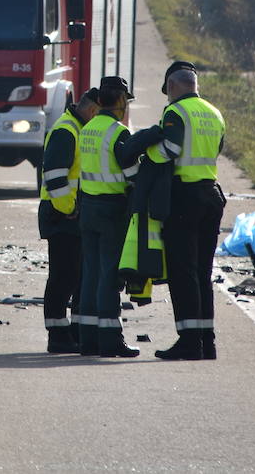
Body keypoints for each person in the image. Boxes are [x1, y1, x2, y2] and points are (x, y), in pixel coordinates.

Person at [75, 75, 163, 358]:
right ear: (123, 102)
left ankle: (87, 339)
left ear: (99, 101)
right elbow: (131, 175)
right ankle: (110, 339)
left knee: (89, 274)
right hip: (111, 210)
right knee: (109, 275)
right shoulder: (117, 133)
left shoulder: (88, 128)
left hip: (87, 207)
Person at [146, 61, 227, 361]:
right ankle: (207, 341)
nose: (166, 96)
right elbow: (217, 148)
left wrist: (146, 152)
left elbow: (170, 149)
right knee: (203, 272)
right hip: (211, 195)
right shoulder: (214, 112)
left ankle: (189, 341)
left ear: (174, 86)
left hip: (184, 198)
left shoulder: (176, 112)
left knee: (183, 272)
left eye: (167, 90)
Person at [39, 89, 98, 353]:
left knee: (76, 276)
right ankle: (57, 334)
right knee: (63, 277)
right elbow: (54, 176)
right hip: (61, 213)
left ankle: (72, 331)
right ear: (93, 110)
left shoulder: (78, 127)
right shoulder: (67, 130)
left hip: (71, 213)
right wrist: (69, 209)